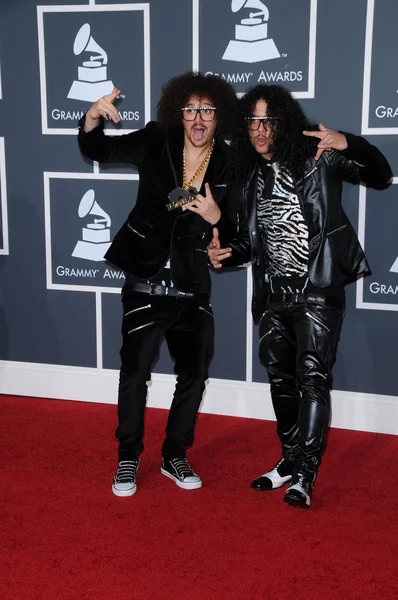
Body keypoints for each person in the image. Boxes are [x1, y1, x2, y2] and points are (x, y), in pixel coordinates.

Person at [208, 84, 392, 508]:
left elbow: (380, 175)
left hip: (318, 292)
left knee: (312, 378)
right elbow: (249, 243)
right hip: (274, 296)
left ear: (284, 122)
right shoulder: (248, 175)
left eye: (268, 120)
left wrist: (348, 142)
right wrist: (224, 253)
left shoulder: (318, 157)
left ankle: (306, 473)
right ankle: (290, 459)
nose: (259, 130)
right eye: (252, 121)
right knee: (280, 381)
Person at [78, 72, 238, 497]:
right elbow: (99, 148)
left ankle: (174, 454)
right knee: (134, 373)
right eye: (191, 110)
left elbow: (237, 230)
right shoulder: (155, 141)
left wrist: (217, 220)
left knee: (195, 375)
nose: (198, 118)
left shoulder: (228, 164)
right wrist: (92, 116)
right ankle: (128, 456)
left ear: (219, 117)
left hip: (192, 288)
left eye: (207, 110)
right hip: (145, 283)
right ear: (179, 114)